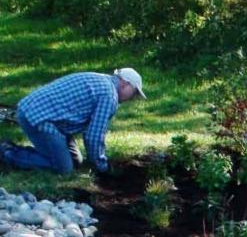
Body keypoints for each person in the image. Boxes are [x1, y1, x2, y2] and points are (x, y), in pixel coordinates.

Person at [0, 68, 146, 175]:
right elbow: (93, 136)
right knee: (64, 169)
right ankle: (7, 153)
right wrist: (102, 167)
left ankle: (22, 153)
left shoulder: (101, 79)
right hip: (41, 119)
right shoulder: (109, 96)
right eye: (133, 93)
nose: (131, 98)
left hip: (44, 115)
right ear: (125, 84)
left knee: (77, 162)